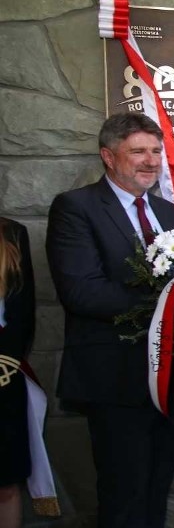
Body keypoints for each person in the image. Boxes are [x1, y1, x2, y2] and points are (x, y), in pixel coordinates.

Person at [46, 112, 174, 528]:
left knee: (156, 485)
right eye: (138, 152)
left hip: (169, 376)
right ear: (108, 157)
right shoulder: (75, 208)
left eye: (155, 151)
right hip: (113, 376)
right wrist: (170, 304)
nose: (151, 161)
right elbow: (81, 291)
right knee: (123, 492)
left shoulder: (168, 213)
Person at [0, 218, 35, 528]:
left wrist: (5, 364)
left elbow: (24, 314)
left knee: (6, 480)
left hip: (2, 378)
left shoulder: (11, 233)